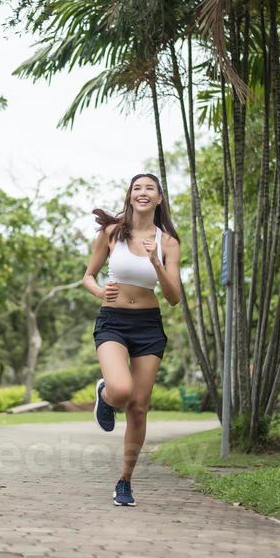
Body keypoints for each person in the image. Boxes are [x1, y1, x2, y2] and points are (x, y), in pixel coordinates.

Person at [83, 172, 181, 506]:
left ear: (159, 199)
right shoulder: (112, 233)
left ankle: (124, 481)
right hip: (113, 320)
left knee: (138, 408)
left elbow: (174, 297)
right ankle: (106, 394)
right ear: (129, 196)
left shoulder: (167, 242)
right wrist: (99, 290)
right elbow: (88, 275)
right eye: (137, 188)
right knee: (122, 391)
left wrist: (156, 261)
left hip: (148, 326)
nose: (143, 192)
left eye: (149, 188)